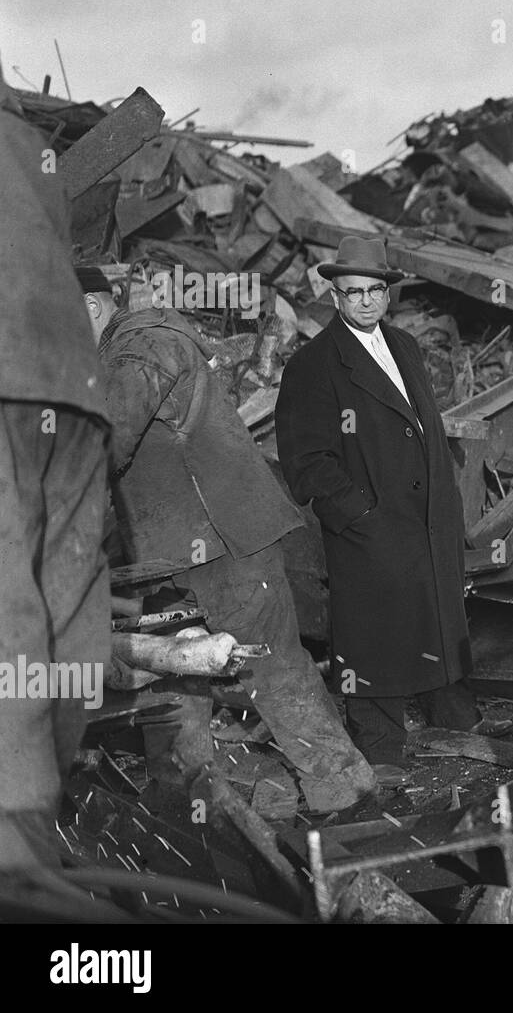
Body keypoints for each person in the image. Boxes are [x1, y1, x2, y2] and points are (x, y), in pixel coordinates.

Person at [81, 272, 375, 811]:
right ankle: (181, 801)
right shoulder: (122, 352)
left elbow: (102, 438)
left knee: (272, 668)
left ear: (89, 306)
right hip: (168, 554)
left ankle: (346, 791)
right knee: (173, 671)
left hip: (222, 542)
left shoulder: (144, 346)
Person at [276, 236, 507, 780]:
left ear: (388, 293)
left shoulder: (404, 345)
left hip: (426, 519)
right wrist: (360, 515)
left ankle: (454, 718)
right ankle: (380, 746)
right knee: (374, 632)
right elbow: (306, 462)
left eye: (374, 291)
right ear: (334, 296)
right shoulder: (314, 365)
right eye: (352, 293)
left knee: (438, 615)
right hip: (372, 526)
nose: (364, 302)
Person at [0, 72, 112, 871]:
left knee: (7, 599)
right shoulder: (30, 144)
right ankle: (48, 797)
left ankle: (15, 836)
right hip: (73, 388)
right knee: (66, 594)